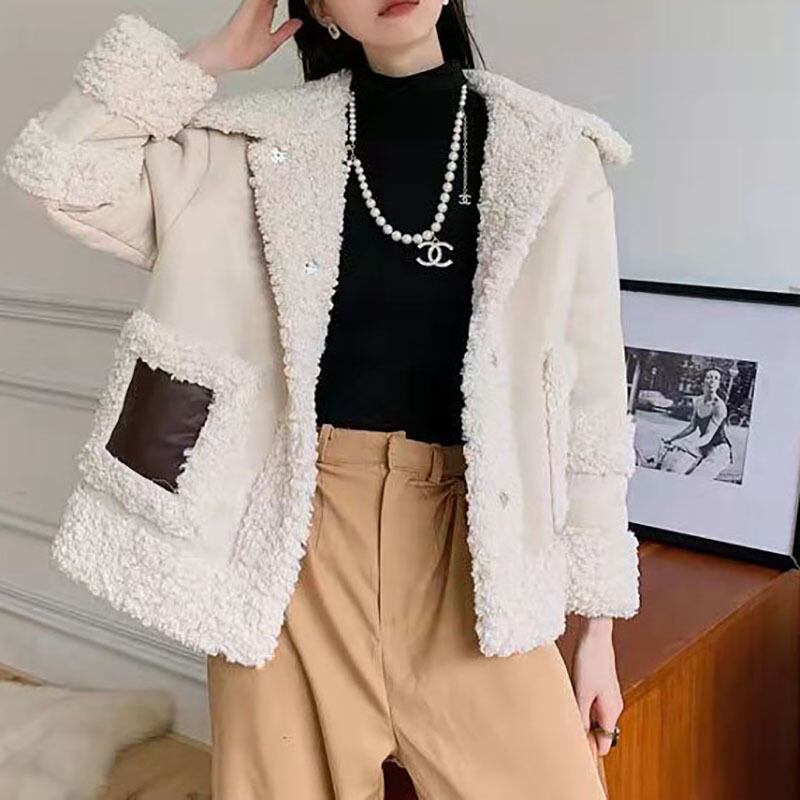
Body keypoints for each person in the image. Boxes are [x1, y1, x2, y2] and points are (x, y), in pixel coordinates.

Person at [2, 1, 640, 797]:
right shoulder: (250, 148)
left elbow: (590, 410)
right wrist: (212, 57)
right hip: (291, 551)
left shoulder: (555, 155)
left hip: (475, 553)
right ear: (317, 9)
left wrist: (597, 631)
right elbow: (60, 174)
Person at [663, 367, 734, 479]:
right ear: (703, 382)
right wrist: (672, 439)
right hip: (702, 447)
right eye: (709, 377)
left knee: (696, 478)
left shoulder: (719, 406)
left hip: (718, 451)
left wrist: (686, 445)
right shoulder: (698, 401)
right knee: (676, 470)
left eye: (716, 378)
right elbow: (692, 427)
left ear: (718, 384)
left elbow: (708, 436)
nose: (712, 381)